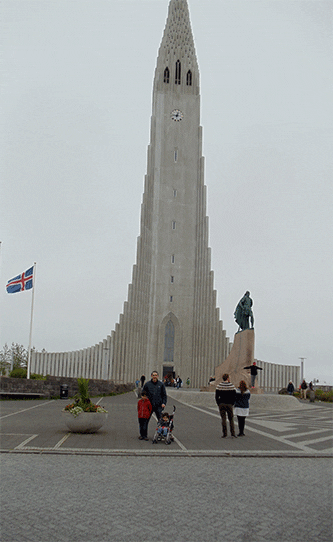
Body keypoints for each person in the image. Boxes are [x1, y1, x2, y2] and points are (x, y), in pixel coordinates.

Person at [215, 373, 237, 438]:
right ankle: (232, 433)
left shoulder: (219, 385)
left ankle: (224, 433)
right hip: (229, 404)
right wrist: (233, 403)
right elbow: (234, 396)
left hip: (221, 404)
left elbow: (216, 396)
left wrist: (218, 403)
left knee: (223, 419)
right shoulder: (231, 385)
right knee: (231, 419)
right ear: (227, 378)